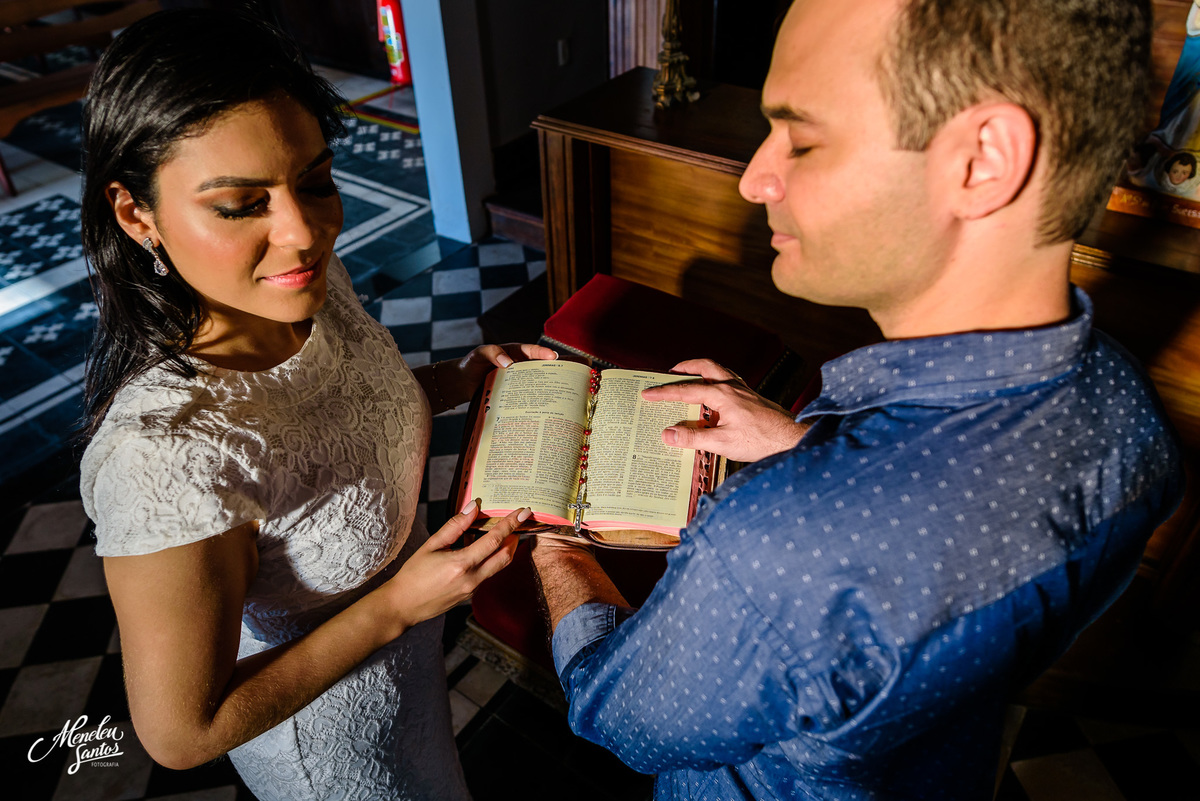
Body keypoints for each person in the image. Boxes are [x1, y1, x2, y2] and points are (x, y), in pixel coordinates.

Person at [530, 1, 1185, 799]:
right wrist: (802, 445)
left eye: (802, 139)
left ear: (984, 160)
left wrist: (556, 544)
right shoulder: (1127, 406)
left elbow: (618, 716)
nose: (755, 177)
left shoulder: (780, 548)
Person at [77, 10, 553, 801]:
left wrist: (459, 378)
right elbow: (182, 732)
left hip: (408, 677)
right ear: (137, 215)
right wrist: (397, 607)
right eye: (240, 204)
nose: (303, 232)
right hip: (331, 747)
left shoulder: (305, 287)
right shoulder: (163, 457)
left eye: (315, 180)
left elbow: (343, 414)